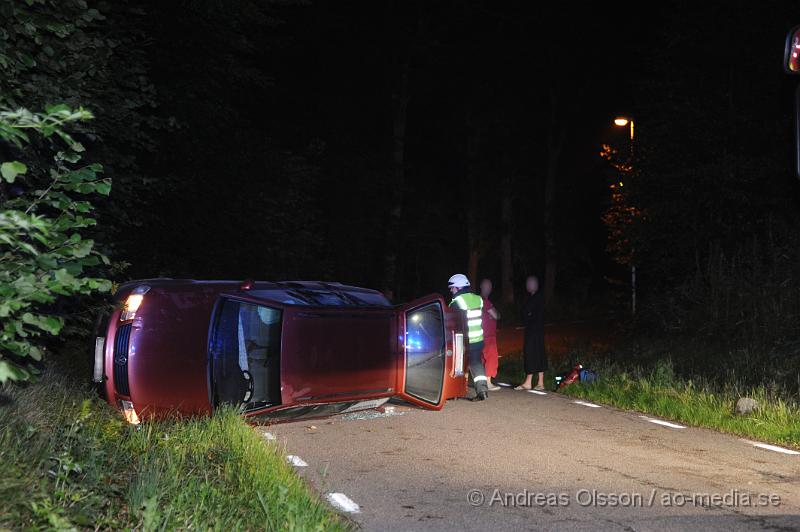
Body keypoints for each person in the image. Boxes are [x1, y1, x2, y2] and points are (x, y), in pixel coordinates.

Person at [447, 273, 489, 400]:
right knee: (476, 364)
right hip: (478, 340)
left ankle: (454, 392)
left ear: (458, 288)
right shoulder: (478, 299)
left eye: (452, 288)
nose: (451, 290)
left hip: (464, 341)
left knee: (458, 365)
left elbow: (450, 321)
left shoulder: (456, 302)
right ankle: (482, 391)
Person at [516, 275, 547, 391]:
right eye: (527, 283)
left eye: (530, 283)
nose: (528, 285)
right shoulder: (538, 298)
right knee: (539, 353)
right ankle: (540, 382)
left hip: (533, 331)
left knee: (531, 353)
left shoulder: (536, 298)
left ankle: (529, 382)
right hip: (538, 330)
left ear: (536, 285)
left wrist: (526, 314)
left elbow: (525, 312)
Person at [479, 279, 501, 391]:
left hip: (482, 335)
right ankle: (488, 383)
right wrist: (495, 314)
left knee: (483, 359)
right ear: (481, 287)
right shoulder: (485, 302)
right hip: (488, 336)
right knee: (491, 358)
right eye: (487, 286)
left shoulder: (479, 301)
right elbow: (497, 315)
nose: (489, 289)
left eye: (490, 287)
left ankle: (482, 382)